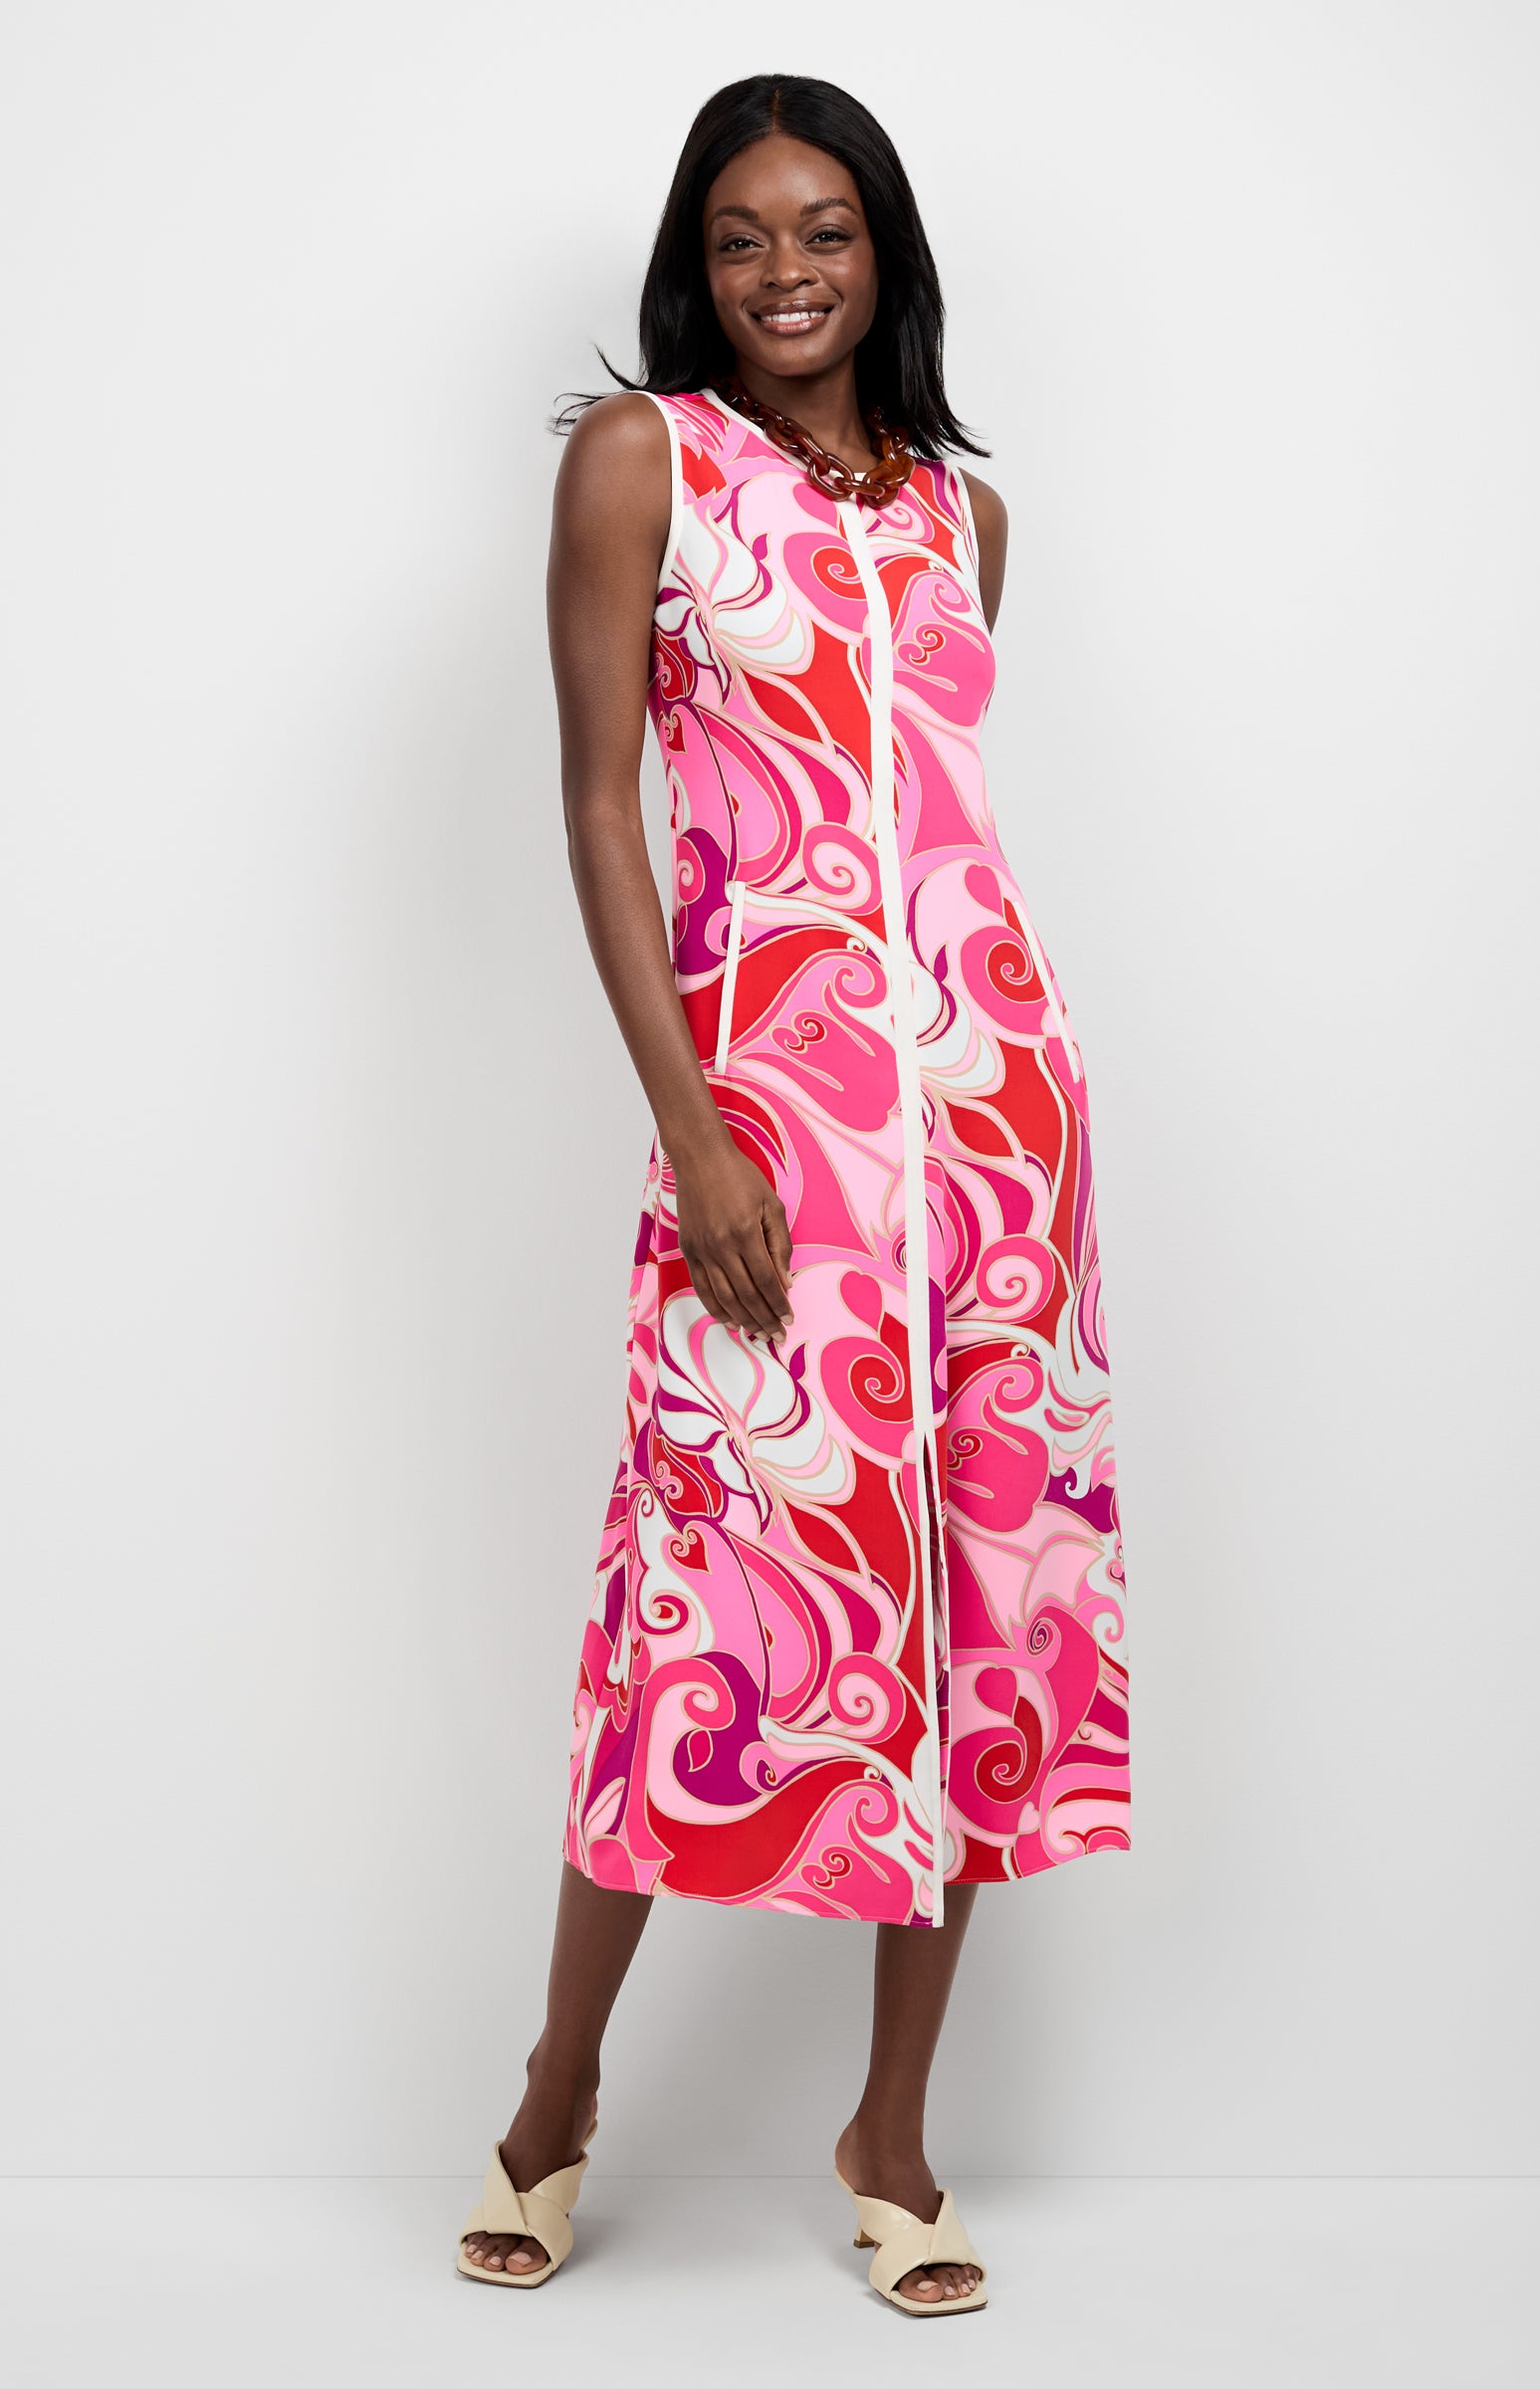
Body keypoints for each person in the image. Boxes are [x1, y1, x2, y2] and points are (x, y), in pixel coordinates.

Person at [457, 72, 1131, 2315]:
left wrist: (1002, 1129)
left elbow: (944, 826)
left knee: (967, 1613)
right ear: (696, 254)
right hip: (769, 1145)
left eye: (820, 231)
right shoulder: (642, 462)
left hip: (995, 1140)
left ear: (882, 249)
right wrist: (694, 1131)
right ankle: (555, 2099)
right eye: (740, 237)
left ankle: (890, 2133)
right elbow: (597, 817)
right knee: (692, 1610)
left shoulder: (962, 512)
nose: (781, 275)